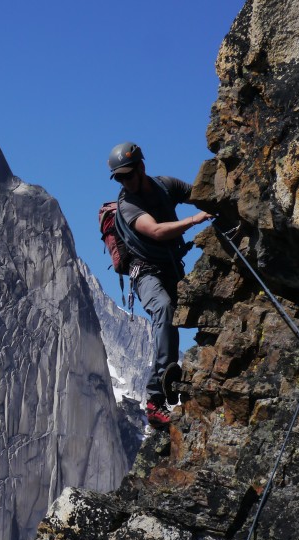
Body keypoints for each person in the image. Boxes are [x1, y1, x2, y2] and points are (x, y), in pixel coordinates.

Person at [107, 142, 213, 429]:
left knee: (184, 315)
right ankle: (155, 399)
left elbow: (198, 194)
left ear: (141, 168)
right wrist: (195, 219)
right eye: (120, 178)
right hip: (146, 273)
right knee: (164, 309)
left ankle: (174, 384)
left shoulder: (165, 185)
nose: (125, 182)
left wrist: (216, 205)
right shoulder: (127, 205)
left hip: (171, 267)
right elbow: (155, 231)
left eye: (128, 175)